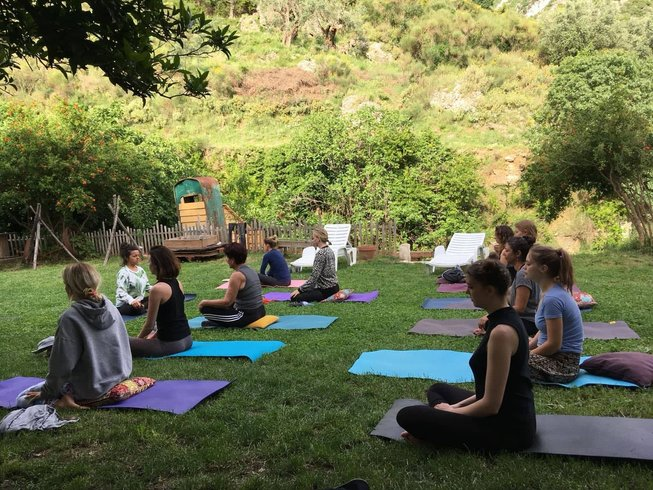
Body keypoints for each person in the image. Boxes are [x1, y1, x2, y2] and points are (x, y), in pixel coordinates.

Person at [396, 260, 536, 452]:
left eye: (471, 287)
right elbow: (486, 394)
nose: (466, 291)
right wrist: (452, 408)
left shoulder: (502, 333)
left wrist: (452, 412)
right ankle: (439, 423)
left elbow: (490, 405)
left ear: (489, 290)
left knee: (407, 415)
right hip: (501, 411)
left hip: (507, 429)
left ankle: (435, 432)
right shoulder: (501, 319)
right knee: (438, 389)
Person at [17, 263, 132, 409]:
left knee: (20, 400)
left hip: (90, 388)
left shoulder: (70, 318)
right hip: (119, 376)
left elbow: (61, 366)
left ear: (68, 288)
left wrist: (47, 393)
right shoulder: (109, 305)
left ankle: (63, 402)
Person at [525, 244, 584, 383]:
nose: (524, 267)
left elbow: (553, 344)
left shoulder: (553, 298)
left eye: (528, 263)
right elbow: (544, 329)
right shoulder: (547, 293)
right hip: (550, 357)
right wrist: (525, 349)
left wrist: (525, 356)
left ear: (543, 269)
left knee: (508, 363)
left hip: (563, 365)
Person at [129, 245, 192, 357]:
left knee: (124, 341)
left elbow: (149, 325)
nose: (148, 265)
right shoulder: (178, 283)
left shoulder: (157, 289)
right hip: (187, 340)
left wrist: (138, 341)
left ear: (157, 265)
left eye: (150, 262)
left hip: (169, 344)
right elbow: (173, 317)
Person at [476, 236, 540, 337]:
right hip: (527, 319)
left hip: (528, 322)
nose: (503, 253)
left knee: (490, 323)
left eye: (507, 250)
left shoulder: (522, 274)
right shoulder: (522, 270)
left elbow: (520, 307)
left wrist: (492, 316)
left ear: (517, 254)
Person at [199, 242, 266, 328]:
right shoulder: (251, 270)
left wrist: (204, 302)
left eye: (227, 257)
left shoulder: (237, 275)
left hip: (247, 317)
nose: (226, 260)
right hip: (260, 312)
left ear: (232, 260)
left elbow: (227, 302)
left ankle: (220, 323)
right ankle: (220, 322)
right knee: (222, 307)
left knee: (205, 309)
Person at [290, 227, 339, 303]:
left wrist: (299, 290)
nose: (311, 240)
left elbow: (313, 278)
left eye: (313, 238)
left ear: (318, 239)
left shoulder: (320, 254)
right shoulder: (330, 250)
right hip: (335, 287)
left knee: (294, 297)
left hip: (325, 291)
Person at [115, 242, 151, 316]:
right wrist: (131, 301)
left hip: (139, 301)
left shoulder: (141, 270)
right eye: (134, 256)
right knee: (137, 309)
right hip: (125, 304)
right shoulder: (123, 273)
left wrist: (156, 290)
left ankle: (143, 307)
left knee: (157, 298)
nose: (137, 257)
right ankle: (144, 307)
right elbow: (121, 292)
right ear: (126, 257)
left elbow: (147, 286)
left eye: (138, 255)